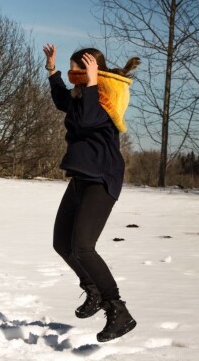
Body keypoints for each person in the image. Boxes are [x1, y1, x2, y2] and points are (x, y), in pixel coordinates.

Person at [43, 43, 139, 342]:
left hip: (102, 178)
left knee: (83, 246)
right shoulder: (81, 94)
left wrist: (94, 82)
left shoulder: (105, 97)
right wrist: (52, 71)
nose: (72, 76)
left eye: (76, 71)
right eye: (70, 71)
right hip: (82, 178)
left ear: (90, 72)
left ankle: (117, 309)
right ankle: (93, 290)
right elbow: (63, 102)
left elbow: (86, 119)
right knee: (63, 243)